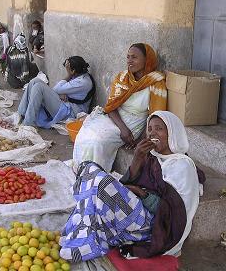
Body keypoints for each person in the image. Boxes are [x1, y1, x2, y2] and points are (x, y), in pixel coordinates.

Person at [60, 111, 205, 262]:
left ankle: (86, 242)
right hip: (136, 210)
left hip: (153, 226)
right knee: (88, 168)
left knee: (102, 184)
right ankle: (81, 229)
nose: (152, 133)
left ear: (173, 134)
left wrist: (141, 193)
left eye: (159, 129)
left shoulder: (182, 166)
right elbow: (125, 183)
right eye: (150, 129)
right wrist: (137, 158)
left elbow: (171, 212)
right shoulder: (151, 157)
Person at [72, 43, 167, 173]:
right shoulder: (122, 77)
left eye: (134, 57)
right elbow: (112, 106)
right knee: (85, 133)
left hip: (134, 122)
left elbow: (155, 115)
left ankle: (96, 178)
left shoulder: (156, 82)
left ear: (147, 60)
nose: (129, 61)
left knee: (97, 141)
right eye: (128, 57)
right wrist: (123, 130)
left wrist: (142, 139)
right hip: (116, 117)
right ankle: (82, 174)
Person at [18, 56, 95, 127]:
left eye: (68, 68)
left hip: (71, 113)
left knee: (39, 87)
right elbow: (59, 91)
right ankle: (21, 113)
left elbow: (56, 89)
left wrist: (69, 75)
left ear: (73, 70)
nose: (66, 69)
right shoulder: (80, 77)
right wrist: (60, 95)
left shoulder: (82, 82)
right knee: (35, 81)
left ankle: (28, 124)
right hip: (66, 105)